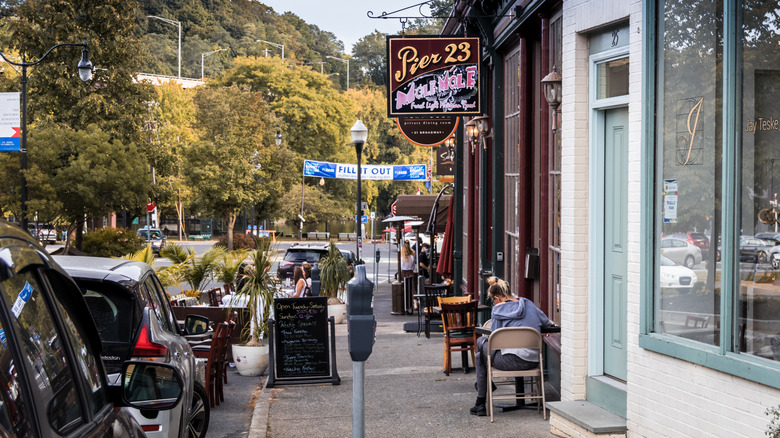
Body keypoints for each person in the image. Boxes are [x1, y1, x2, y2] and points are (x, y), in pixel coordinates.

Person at [470, 277, 553, 417]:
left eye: (493, 300)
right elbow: (546, 323)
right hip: (533, 361)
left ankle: (481, 400)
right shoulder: (528, 304)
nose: (494, 303)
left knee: (480, 346)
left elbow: (494, 342)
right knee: (481, 355)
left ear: (497, 298)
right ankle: (481, 399)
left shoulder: (497, 311)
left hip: (507, 362)